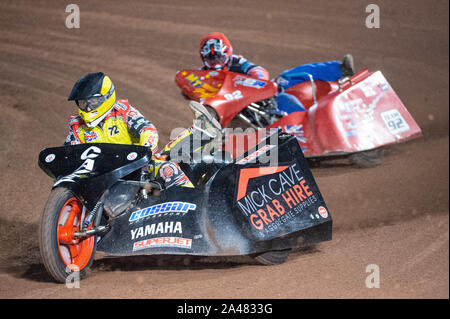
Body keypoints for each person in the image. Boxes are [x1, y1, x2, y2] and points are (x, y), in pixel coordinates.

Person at [65, 72, 194, 189]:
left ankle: (192, 204)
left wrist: (143, 155)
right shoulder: (77, 126)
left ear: (106, 97)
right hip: (98, 178)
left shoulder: (122, 111)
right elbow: (67, 157)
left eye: (92, 102)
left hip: (134, 169)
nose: (87, 108)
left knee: (168, 169)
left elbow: (148, 130)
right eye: (83, 103)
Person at [199, 32, 355, 113]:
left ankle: (340, 68)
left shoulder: (237, 61)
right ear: (204, 59)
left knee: (287, 78)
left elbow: (258, 71)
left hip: (259, 98)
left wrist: (259, 86)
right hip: (234, 112)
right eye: (212, 59)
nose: (216, 62)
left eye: (220, 57)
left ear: (228, 53)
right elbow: (196, 95)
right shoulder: (201, 75)